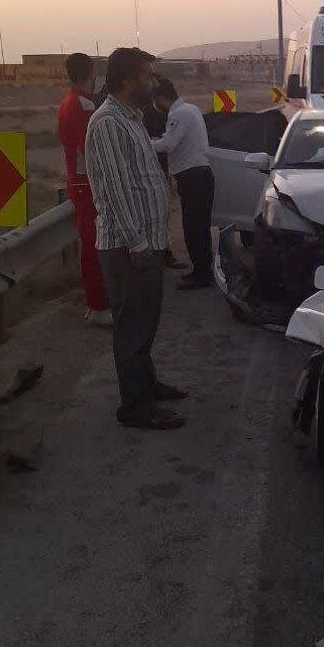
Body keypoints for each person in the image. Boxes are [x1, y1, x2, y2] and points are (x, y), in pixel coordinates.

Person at [85, 48, 186, 430]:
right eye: (148, 77)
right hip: (128, 245)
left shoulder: (132, 118)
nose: (153, 83)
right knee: (132, 327)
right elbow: (116, 189)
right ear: (127, 81)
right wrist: (137, 242)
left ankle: (147, 384)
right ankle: (135, 406)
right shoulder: (108, 122)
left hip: (146, 241)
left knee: (146, 321)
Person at [57, 53, 112, 326]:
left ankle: (97, 302)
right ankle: (98, 305)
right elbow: (90, 147)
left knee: (92, 243)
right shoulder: (83, 103)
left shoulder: (69, 101)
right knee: (94, 245)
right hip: (86, 182)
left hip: (78, 180)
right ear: (92, 72)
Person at [150, 76, 215, 290]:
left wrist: (146, 143)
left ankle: (202, 275)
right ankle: (203, 271)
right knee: (200, 228)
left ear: (160, 98)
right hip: (200, 176)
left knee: (194, 229)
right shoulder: (191, 109)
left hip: (193, 178)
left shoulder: (178, 115)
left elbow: (169, 144)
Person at [144, 97, 188, 271]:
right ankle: (160, 253)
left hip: (156, 169)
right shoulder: (152, 113)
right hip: (155, 170)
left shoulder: (138, 113)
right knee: (159, 215)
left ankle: (158, 253)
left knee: (158, 215)